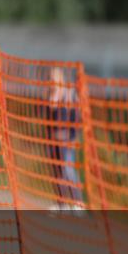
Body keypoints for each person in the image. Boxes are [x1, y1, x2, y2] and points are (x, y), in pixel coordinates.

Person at [45, 66, 83, 208]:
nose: (52, 82)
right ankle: (61, 203)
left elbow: (75, 118)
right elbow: (48, 121)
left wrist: (71, 135)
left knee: (68, 171)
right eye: (50, 79)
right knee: (57, 174)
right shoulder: (49, 97)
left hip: (67, 141)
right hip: (52, 141)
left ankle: (77, 202)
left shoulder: (69, 95)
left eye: (54, 79)